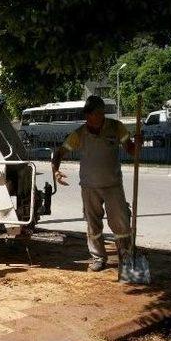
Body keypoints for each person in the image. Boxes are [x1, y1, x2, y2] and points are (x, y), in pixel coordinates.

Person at [52, 95, 137, 272]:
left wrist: (138, 145)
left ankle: (127, 257)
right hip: (89, 186)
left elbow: (130, 149)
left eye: (92, 114)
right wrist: (56, 171)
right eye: (87, 114)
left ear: (101, 113)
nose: (88, 118)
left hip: (113, 184)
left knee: (121, 222)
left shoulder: (116, 127)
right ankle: (98, 258)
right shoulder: (80, 133)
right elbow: (59, 152)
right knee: (93, 224)